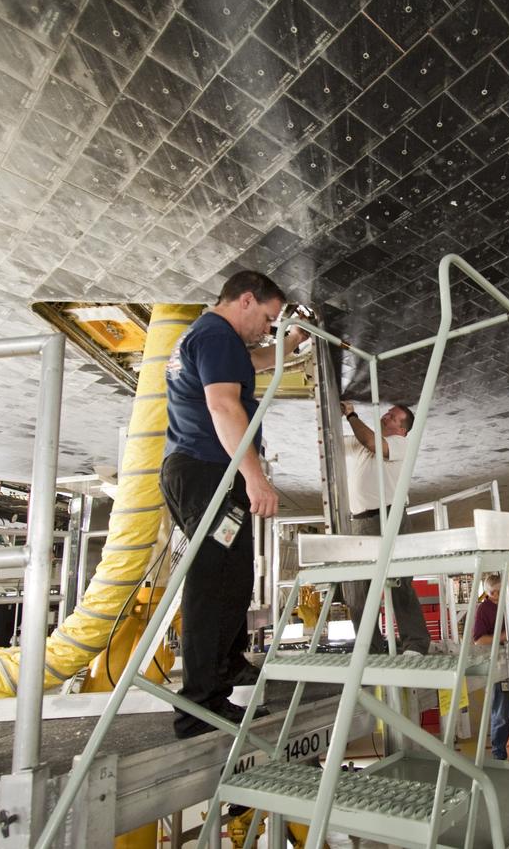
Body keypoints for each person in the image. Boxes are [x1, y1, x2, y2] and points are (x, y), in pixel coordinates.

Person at [161, 270, 307, 738]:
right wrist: (255, 477)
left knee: (234, 572)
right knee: (213, 581)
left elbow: (255, 362)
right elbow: (225, 407)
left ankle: (224, 672)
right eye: (268, 318)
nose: (269, 329)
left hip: (205, 473)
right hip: (209, 473)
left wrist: (292, 344)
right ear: (246, 300)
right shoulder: (218, 336)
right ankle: (198, 706)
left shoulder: (210, 336)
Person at [339, 400, 431, 656]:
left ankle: (416, 644)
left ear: (402, 429)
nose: (385, 417)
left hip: (390, 516)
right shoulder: (362, 439)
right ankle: (370, 650)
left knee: (400, 582)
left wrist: (351, 414)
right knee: (358, 589)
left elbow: (373, 444)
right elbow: (335, 442)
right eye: (387, 413)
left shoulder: (402, 444)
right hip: (360, 521)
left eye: (392, 417)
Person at [473, 573, 509, 760]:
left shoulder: (508, 605)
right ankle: (499, 753)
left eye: (500, 591)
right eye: (493, 592)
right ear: (488, 592)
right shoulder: (484, 610)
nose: (497, 595)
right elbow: (479, 640)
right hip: (498, 664)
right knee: (501, 710)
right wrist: (505, 636)